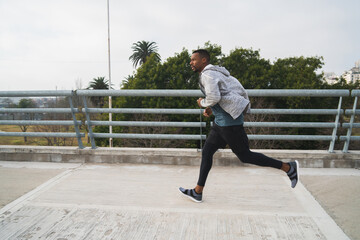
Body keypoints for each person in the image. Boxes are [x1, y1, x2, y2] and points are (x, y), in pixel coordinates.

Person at [179, 49, 299, 203]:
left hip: (229, 125)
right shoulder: (219, 73)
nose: (191, 62)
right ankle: (198, 191)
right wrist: (212, 108)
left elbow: (215, 96)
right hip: (220, 123)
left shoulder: (207, 74)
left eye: (194, 60)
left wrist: (203, 103)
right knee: (207, 152)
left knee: (245, 156)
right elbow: (229, 92)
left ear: (204, 61)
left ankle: (289, 168)